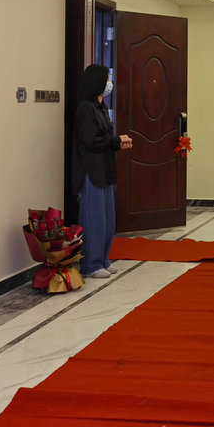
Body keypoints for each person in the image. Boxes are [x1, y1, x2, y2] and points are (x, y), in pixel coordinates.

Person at [71, 64, 132, 279]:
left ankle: (103, 259)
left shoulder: (101, 107)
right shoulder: (85, 108)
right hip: (90, 172)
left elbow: (105, 138)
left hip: (105, 169)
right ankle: (90, 265)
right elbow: (92, 141)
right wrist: (116, 140)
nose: (109, 83)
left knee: (107, 219)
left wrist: (118, 143)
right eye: (106, 79)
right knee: (93, 219)